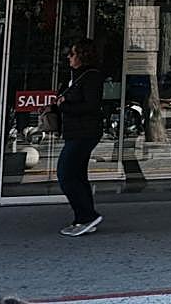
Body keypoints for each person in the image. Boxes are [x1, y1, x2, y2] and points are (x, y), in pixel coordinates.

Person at [55, 38, 104, 237]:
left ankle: (86, 215)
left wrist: (64, 105)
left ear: (82, 56)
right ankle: (83, 218)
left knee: (65, 174)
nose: (69, 57)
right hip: (77, 132)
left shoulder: (91, 77)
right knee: (77, 175)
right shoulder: (76, 77)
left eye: (73, 54)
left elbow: (90, 106)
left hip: (85, 133)